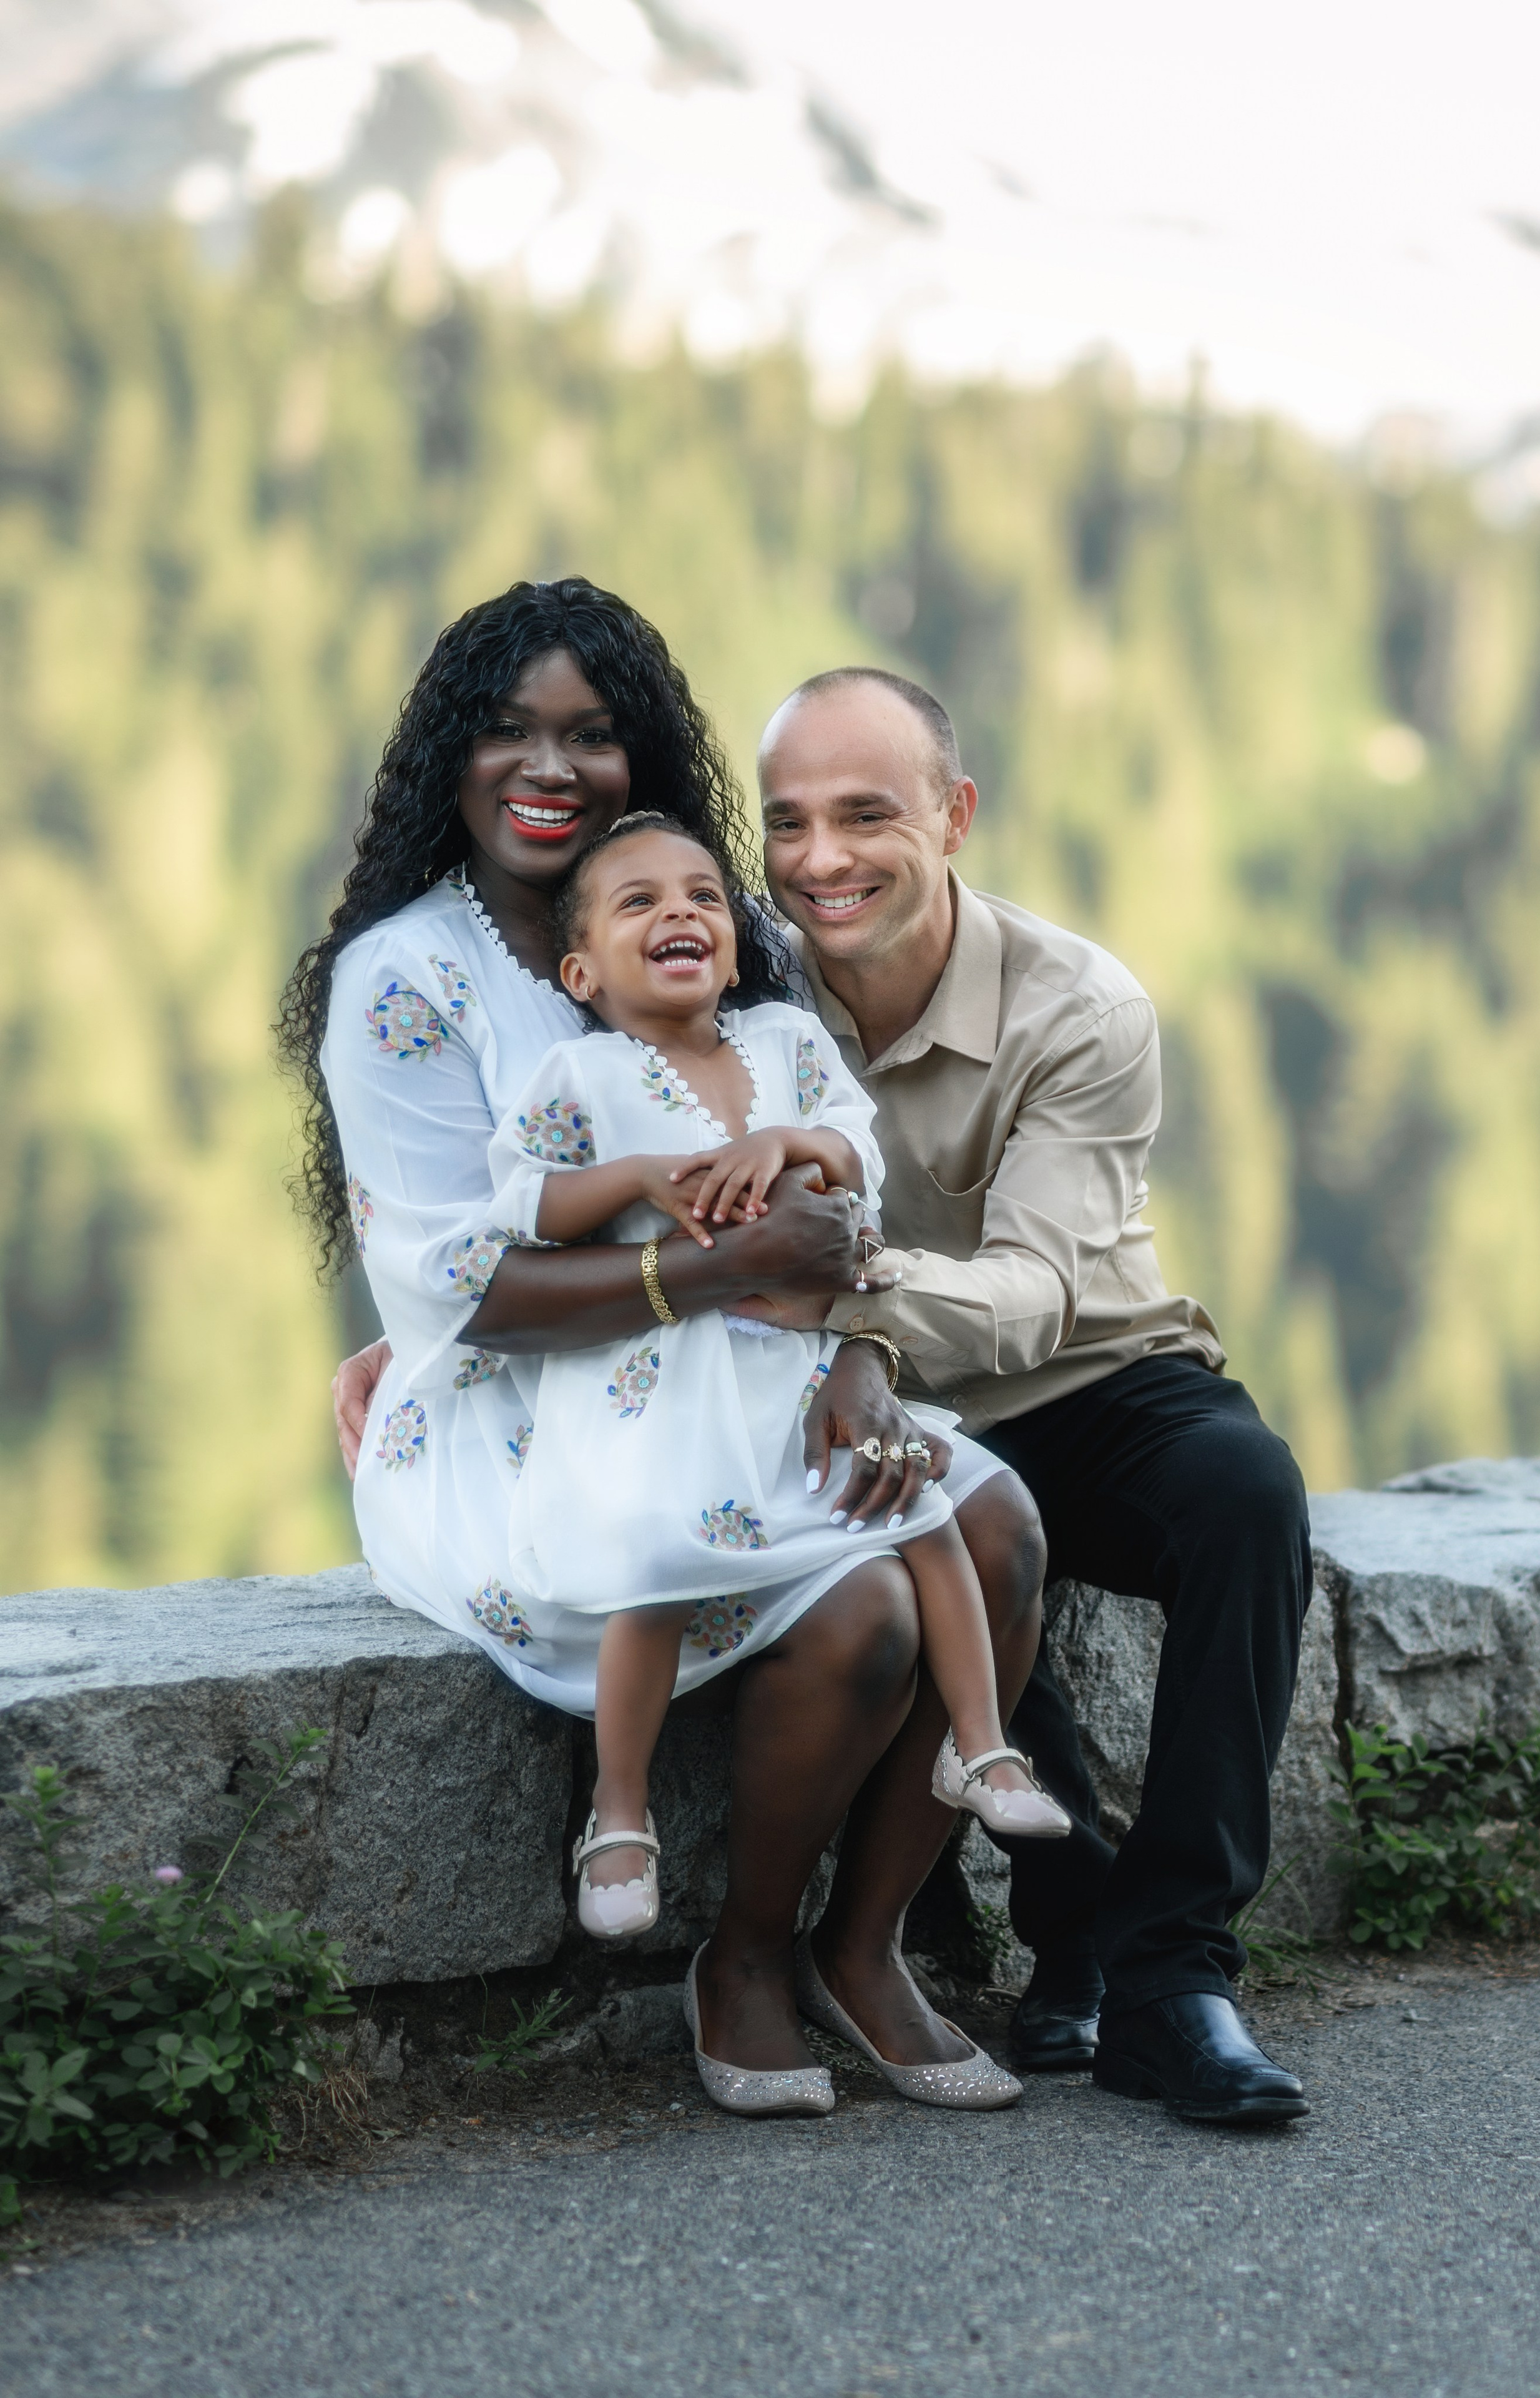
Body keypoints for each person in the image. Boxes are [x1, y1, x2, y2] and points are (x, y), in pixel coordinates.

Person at [331, 638, 1311, 2126]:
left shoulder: (1050, 1003)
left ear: (953, 816)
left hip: (1055, 1360)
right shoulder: (728, 962)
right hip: (747, 1376)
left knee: (1220, 1499)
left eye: (865, 816)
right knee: (927, 1543)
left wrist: (851, 1327)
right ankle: (1040, 1938)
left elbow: (1031, 1288)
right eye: (786, 824)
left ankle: (1169, 1968)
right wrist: (447, 1325)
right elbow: (508, 1225)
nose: (820, 860)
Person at [288, 579, 1049, 2118]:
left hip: (767, 1361)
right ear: (448, 753)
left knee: (998, 1527)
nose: (547, 766)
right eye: (505, 729)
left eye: (590, 733)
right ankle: (744, 1956)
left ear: (640, 753)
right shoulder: (404, 979)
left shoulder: (721, 927)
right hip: (523, 1413)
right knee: (857, 1608)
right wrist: (720, 1267)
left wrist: (853, 1348)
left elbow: (824, 1179)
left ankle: (863, 1942)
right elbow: (456, 1290)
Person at [484, 812, 1071, 1944]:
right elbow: (525, 1202)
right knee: (656, 1555)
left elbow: (856, 1151)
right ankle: (619, 1809)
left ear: (734, 942)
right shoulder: (582, 1073)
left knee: (925, 1510)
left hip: (785, 1360)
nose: (680, 912)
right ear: (581, 971)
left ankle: (981, 1746)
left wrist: (784, 1144)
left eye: (703, 896)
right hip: (660, 1375)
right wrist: (638, 1176)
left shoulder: (784, 1042)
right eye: (640, 902)